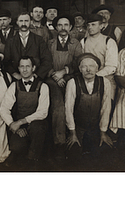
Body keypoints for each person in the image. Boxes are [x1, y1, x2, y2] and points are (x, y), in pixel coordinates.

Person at [0, 56, 50, 166]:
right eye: (22, 66)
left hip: (36, 124)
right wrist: (13, 125)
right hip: (20, 126)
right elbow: (4, 108)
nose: (25, 69)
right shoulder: (14, 86)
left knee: (38, 128)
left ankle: (33, 160)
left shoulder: (43, 86)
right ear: (18, 68)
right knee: (16, 147)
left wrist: (21, 122)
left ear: (33, 68)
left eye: (28, 66)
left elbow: (42, 112)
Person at [45, 14, 83, 158]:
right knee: (58, 105)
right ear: (55, 27)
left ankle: (74, 138)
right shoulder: (49, 43)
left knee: (71, 104)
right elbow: (45, 61)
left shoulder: (76, 44)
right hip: (52, 79)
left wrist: (64, 72)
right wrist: (54, 75)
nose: (63, 28)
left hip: (70, 78)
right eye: (60, 25)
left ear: (71, 27)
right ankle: (59, 142)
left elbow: (78, 62)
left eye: (66, 25)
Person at [65, 53, 113, 164]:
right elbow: (68, 109)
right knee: (73, 156)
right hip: (77, 128)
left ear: (97, 69)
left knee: (104, 156)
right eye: (84, 66)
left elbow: (106, 108)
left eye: (91, 66)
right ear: (80, 69)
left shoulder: (105, 82)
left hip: (96, 128)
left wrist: (103, 132)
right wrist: (72, 133)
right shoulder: (72, 83)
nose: (88, 70)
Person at [4, 12, 53, 81]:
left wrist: (36, 75)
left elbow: (47, 60)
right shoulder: (10, 41)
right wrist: (15, 74)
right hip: (16, 79)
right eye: (21, 21)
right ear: (17, 22)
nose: (23, 24)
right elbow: (6, 62)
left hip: (36, 78)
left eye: (26, 21)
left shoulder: (39, 40)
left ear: (31, 22)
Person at [80, 14, 118, 100]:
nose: (90, 27)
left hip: (106, 77)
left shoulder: (109, 41)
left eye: (93, 24)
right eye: (88, 25)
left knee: (107, 101)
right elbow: (81, 62)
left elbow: (111, 66)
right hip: (87, 77)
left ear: (101, 26)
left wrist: (96, 75)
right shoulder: (83, 41)